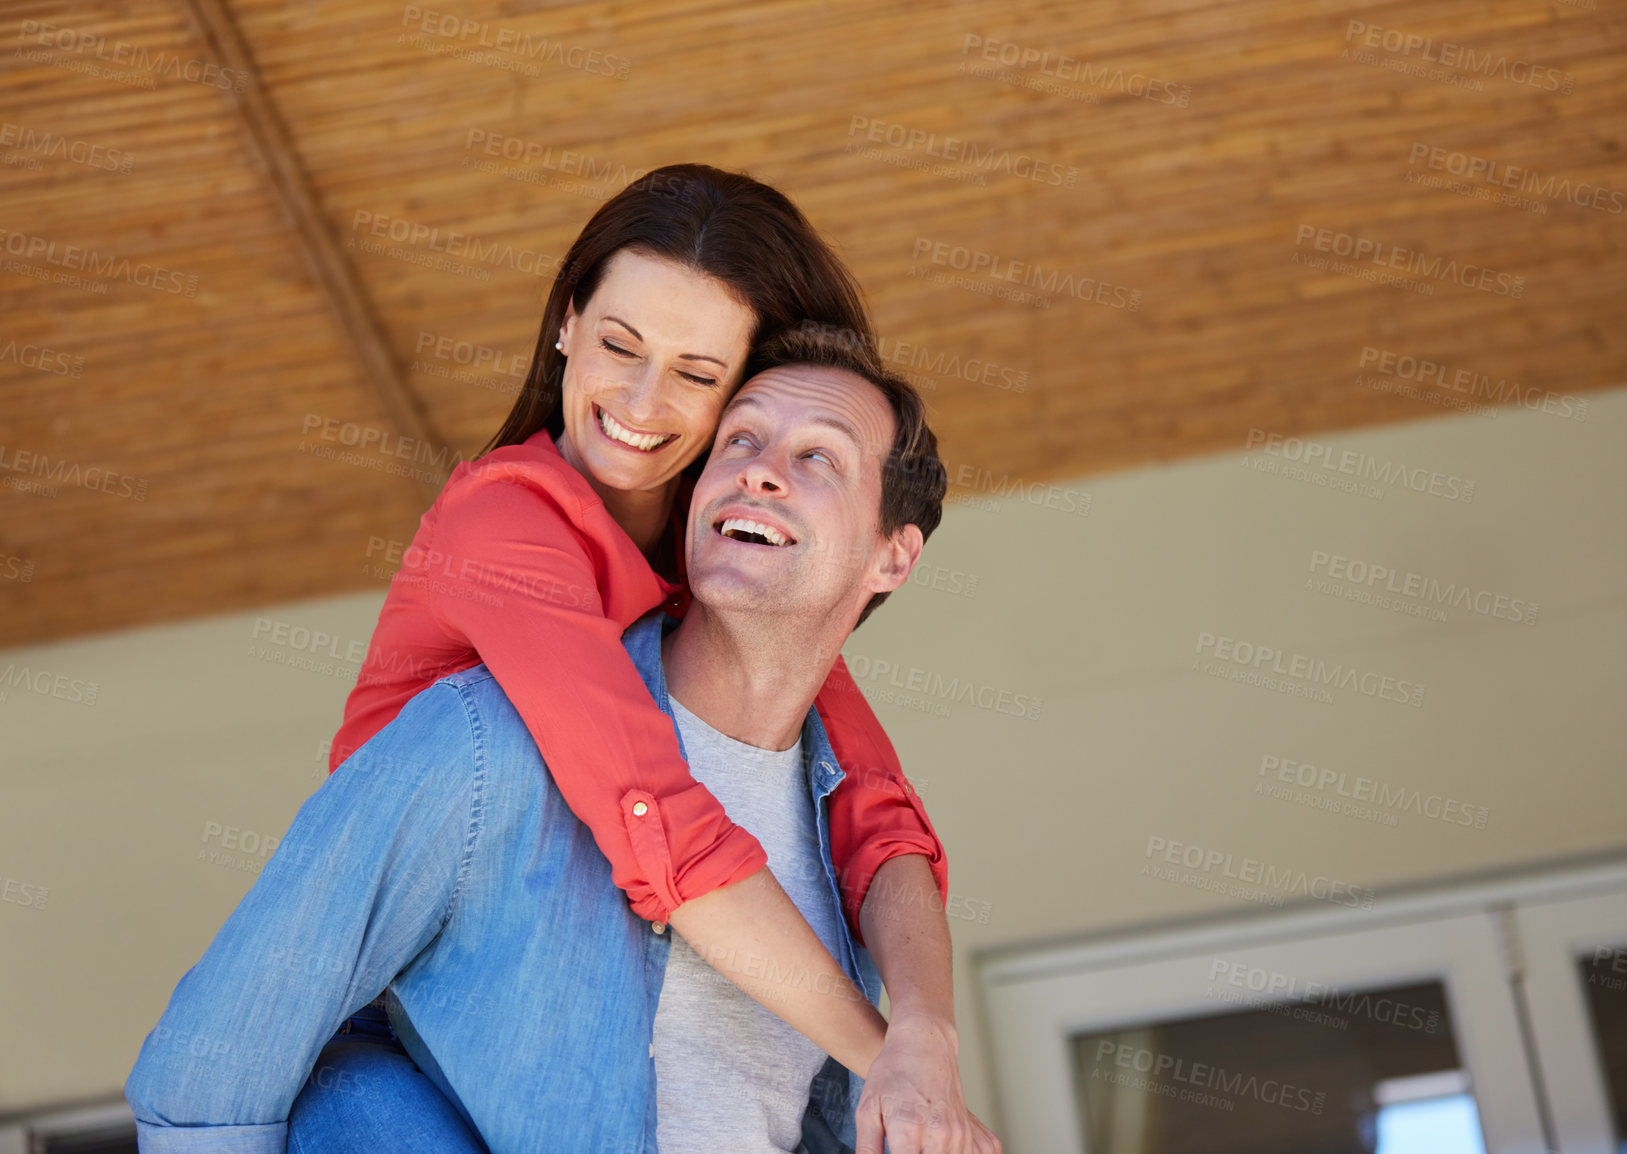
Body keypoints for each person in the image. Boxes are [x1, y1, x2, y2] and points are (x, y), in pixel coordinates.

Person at [126, 330, 999, 1154]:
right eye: (737, 442)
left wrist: (922, 1041)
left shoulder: (850, 836)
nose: (760, 473)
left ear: (892, 557)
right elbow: (207, 1073)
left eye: (818, 457)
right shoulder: (484, 743)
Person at [323, 166, 948, 1070]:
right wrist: (886, 1060)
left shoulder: (721, 550)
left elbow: (874, 809)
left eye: (697, 373)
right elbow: (656, 828)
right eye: (620, 344)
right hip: (410, 1024)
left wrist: (932, 1032)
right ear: (568, 323)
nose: (643, 404)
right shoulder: (502, 526)